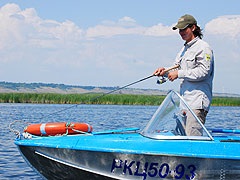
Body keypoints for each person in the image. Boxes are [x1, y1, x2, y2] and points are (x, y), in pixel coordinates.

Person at [153, 14, 214, 136]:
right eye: (179, 30)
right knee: (182, 137)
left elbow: (204, 72)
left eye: (184, 29)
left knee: (192, 140)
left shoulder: (204, 47)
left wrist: (179, 73)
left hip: (197, 103)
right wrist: (164, 73)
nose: (181, 32)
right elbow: (175, 70)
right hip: (184, 104)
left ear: (193, 28)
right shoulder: (184, 50)